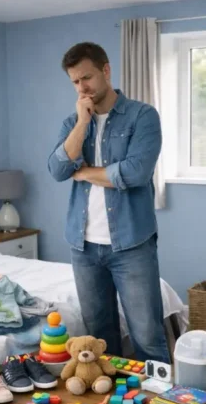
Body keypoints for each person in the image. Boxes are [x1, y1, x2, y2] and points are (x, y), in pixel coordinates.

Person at [47, 42, 170, 363]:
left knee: (147, 335)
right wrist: (82, 123)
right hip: (83, 246)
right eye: (75, 82)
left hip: (131, 244)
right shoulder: (72, 122)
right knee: (99, 338)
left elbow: (135, 173)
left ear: (106, 70)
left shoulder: (142, 116)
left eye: (86, 77)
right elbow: (58, 169)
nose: (82, 87)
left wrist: (84, 171)